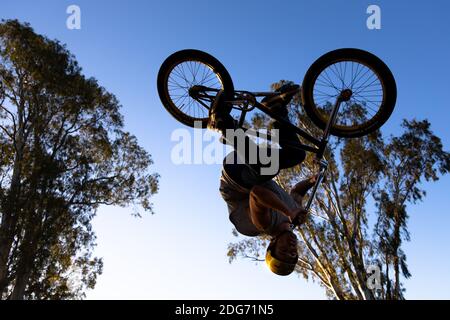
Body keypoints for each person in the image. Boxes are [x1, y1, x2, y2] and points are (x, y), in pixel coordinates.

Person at [209, 84, 317, 276]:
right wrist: (312, 181)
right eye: (293, 253)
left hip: (235, 178)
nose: (291, 248)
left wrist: (290, 210)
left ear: (272, 244)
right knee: (296, 154)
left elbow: (257, 194)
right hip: (249, 168)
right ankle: (275, 108)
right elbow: (296, 193)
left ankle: (223, 123)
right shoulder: (291, 220)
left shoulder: (264, 224)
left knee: (270, 167)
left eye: (283, 251)